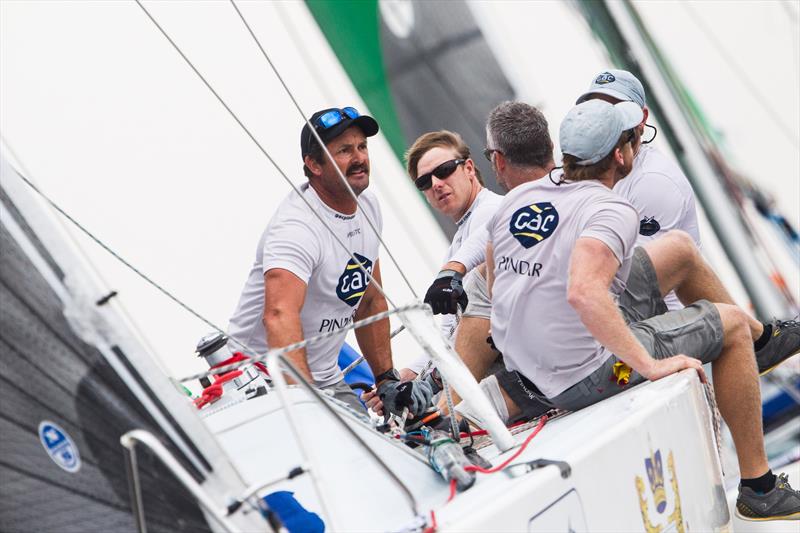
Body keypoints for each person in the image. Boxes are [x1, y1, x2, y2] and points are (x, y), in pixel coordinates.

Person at [485, 99, 800, 521]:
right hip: (586, 374)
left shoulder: (521, 199)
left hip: (536, 366)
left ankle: (760, 348)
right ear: (621, 154)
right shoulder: (613, 210)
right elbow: (582, 291)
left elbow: (496, 276)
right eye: (633, 139)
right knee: (732, 324)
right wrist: (649, 365)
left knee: (678, 250)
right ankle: (759, 489)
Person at [576, 69, 798, 371]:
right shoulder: (599, 174)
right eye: (597, 108)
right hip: (623, 318)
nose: (606, 118)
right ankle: (758, 337)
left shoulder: (652, 181)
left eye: (616, 109)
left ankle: (756, 340)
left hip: (670, 329)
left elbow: (636, 282)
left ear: (640, 118)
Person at [226, 106, 432, 417]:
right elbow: (280, 317)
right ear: (314, 165)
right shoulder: (297, 228)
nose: (359, 158)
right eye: (344, 150)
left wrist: (387, 379)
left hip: (325, 378)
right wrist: (306, 405)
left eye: (362, 147)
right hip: (259, 382)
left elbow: (369, 301)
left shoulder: (368, 206)